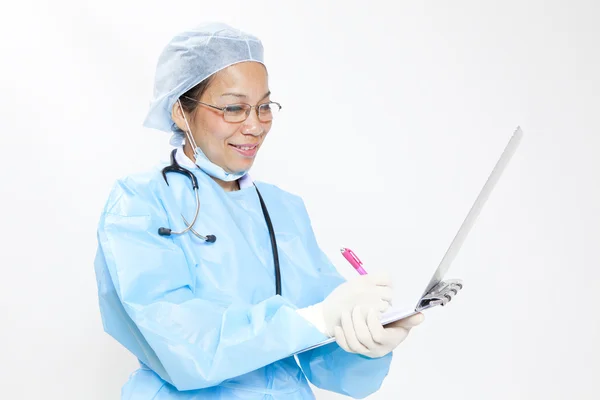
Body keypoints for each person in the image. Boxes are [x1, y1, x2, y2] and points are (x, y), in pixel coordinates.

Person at [94, 22, 424, 400]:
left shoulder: (282, 209)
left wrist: (368, 337)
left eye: (264, 107)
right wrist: (317, 319)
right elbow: (182, 346)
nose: (255, 125)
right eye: (234, 108)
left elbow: (328, 359)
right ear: (180, 112)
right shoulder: (139, 204)